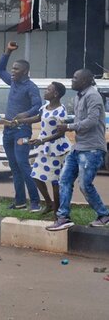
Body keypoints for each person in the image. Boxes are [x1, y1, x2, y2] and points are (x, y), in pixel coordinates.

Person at [46, 69, 109, 230]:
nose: (72, 81)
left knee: (84, 184)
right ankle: (63, 217)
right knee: (64, 180)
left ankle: (104, 215)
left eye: (75, 78)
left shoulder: (93, 96)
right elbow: (80, 118)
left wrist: (68, 126)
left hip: (92, 149)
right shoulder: (78, 97)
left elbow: (92, 121)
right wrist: (66, 120)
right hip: (78, 147)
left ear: (86, 81)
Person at [1, 82, 70, 216]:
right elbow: (37, 118)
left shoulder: (61, 111)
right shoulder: (45, 107)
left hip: (57, 148)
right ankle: (49, 203)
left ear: (55, 94)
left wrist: (42, 140)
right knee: (36, 176)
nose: (45, 90)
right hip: (44, 148)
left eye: (48, 89)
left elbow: (61, 133)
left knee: (55, 181)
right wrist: (20, 120)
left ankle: (57, 212)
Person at [0, 41, 42, 211]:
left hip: (22, 130)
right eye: (13, 69)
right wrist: (7, 51)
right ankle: (20, 202)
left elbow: (38, 106)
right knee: (14, 167)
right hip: (8, 129)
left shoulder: (31, 87)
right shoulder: (13, 82)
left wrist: (25, 114)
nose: (12, 71)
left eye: (16, 69)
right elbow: (0, 70)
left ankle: (35, 202)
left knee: (23, 164)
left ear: (25, 71)